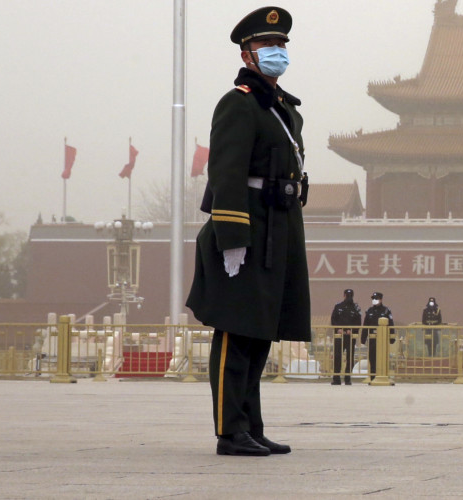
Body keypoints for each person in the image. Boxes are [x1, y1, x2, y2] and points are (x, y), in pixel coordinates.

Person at [185, 6, 309, 457]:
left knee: (259, 334)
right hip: (246, 229)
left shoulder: (281, 107)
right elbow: (227, 173)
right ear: (246, 53)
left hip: (277, 229)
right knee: (236, 334)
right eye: (266, 46)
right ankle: (228, 431)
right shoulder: (237, 104)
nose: (276, 52)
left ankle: (250, 426)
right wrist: (231, 239)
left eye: (280, 45)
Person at [330, 289, 362, 385]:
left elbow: (358, 322)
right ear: (343, 295)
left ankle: (347, 378)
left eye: (350, 295)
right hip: (339, 336)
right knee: (337, 356)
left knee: (350, 357)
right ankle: (336, 378)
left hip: (350, 337)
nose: (348, 297)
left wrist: (352, 330)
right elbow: (333, 319)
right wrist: (338, 329)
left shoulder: (356, 308)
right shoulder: (338, 306)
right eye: (347, 295)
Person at [361, 292, 394, 382]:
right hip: (372, 338)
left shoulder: (386, 310)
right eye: (373, 299)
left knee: (383, 357)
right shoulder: (369, 311)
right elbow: (365, 325)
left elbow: (391, 324)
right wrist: (363, 339)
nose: (374, 300)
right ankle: (373, 377)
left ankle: (383, 376)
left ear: (381, 299)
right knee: (372, 357)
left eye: (376, 298)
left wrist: (392, 337)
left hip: (383, 339)